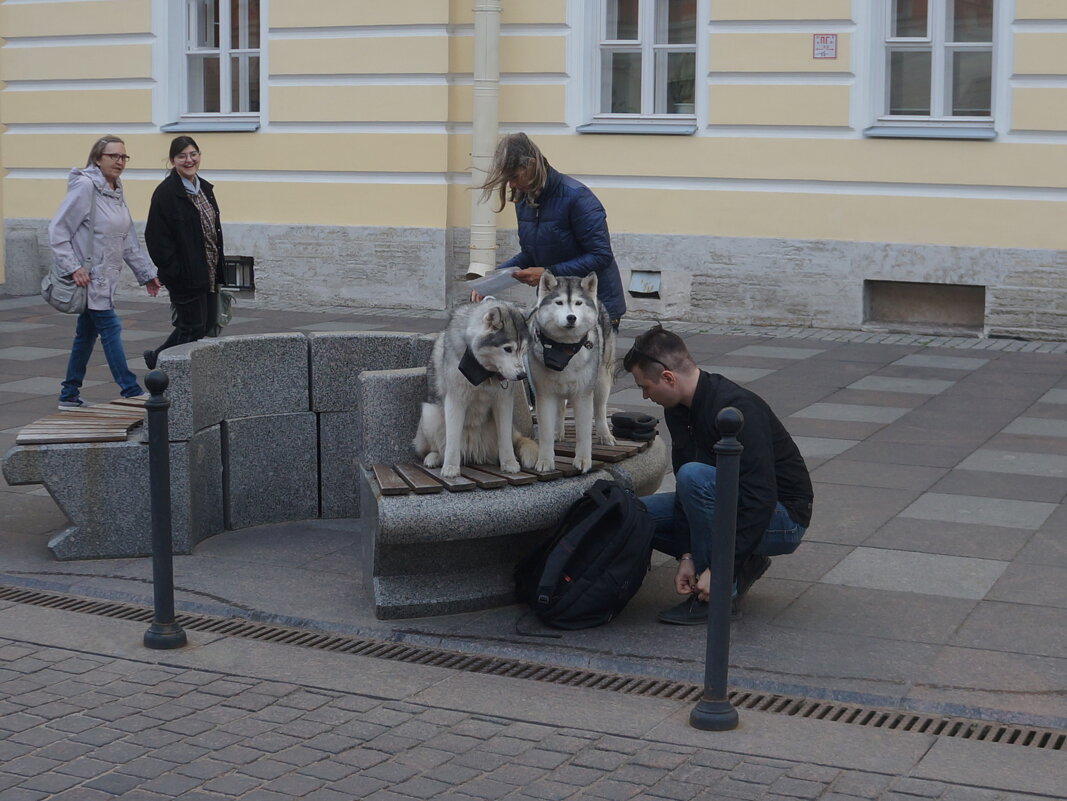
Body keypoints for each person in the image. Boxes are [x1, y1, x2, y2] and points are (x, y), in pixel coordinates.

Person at [623, 325, 814, 624]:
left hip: (783, 518)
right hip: (737, 505)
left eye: (645, 386)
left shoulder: (737, 409)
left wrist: (720, 568)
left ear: (668, 377)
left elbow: (760, 497)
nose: (646, 396)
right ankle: (745, 562)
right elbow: (689, 499)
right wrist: (686, 555)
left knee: (693, 477)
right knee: (634, 514)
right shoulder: (678, 409)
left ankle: (720, 594)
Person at [50, 135, 160, 410]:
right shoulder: (85, 187)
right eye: (113, 156)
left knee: (86, 334)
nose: (120, 162)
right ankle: (130, 389)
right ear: (97, 159)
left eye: (124, 157)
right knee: (110, 328)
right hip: (90, 278)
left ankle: (69, 393)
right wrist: (73, 267)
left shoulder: (115, 189)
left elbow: (127, 238)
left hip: (104, 279)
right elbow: (58, 230)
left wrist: (146, 273)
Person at [472, 133, 626, 327]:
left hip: (594, 307)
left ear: (531, 164)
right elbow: (530, 254)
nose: (511, 184)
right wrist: (493, 280)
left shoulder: (577, 197)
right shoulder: (524, 199)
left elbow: (601, 255)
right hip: (555, 307)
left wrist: (548, 272)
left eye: (513, 177)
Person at [142, 135, 225, 369]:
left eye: (193, 154)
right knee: (192, 326)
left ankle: (162, 360)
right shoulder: (166, 193)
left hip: (207, 270)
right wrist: (173, 270)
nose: (189, 160)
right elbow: (155, 237)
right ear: (172, 160)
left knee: (205, 324)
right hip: (184, 275)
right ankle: (168, 368)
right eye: (182, 156)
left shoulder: (205, 188)